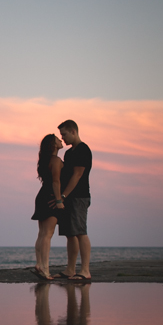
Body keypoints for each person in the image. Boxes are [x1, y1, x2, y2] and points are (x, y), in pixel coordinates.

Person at [54, 120, 92, 281]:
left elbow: (77, 175)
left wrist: (63, 196)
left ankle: (85, 270)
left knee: (80, 232)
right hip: (68, 197)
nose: (62, 138)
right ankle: (70, 269)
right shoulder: (68, 153)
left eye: (64, 134)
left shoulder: (83, 150)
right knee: (70, 234)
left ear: (73, 132)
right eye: (61, 135)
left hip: (79, 196)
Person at [30, 134, 65, 279]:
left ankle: (40, 264)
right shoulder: (55, 160)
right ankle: (44, 268)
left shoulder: (44, 160)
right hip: (51, 196)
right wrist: (59, 201)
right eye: (58, 139)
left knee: (42, 233)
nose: (60, 140)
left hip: (42, 196)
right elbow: (56, 182)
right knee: (47, 234)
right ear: (53, 145)